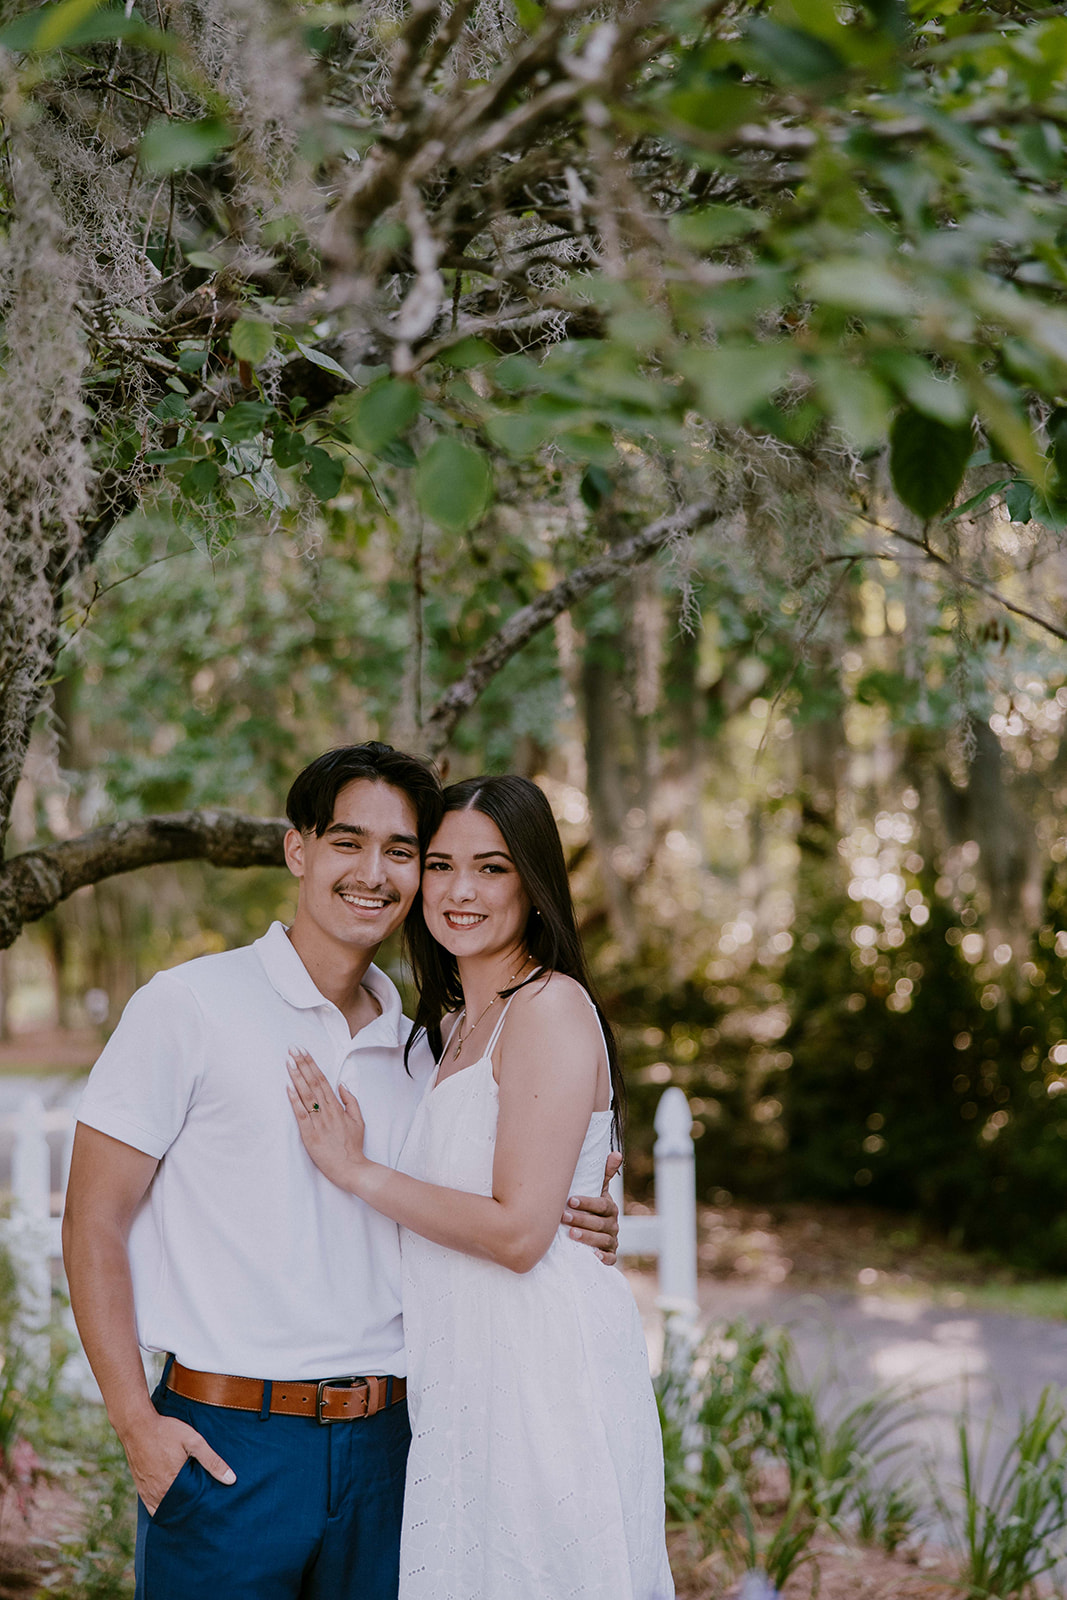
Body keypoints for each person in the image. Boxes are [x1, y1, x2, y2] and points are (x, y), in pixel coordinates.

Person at [61, 744, 620, 1600]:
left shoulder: (423, 1047)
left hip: (394, 1444)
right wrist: (136, 1423)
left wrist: (591, 1212)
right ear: (297, 850)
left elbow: (506, 1190)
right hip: (229, 1441)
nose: (375, 873)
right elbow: (91, 1218)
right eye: (348, 843)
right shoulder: (189, 1005)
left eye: (402, 852)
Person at [287, 774, 675, 1600]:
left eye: (491, 868)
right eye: (439, 864)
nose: (460, 891)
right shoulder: (455, 1025)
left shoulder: (548, 1006)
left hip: (540, 1373)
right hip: (468, 1373)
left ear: (533, 885)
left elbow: (518, 1233)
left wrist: (356, 1170)